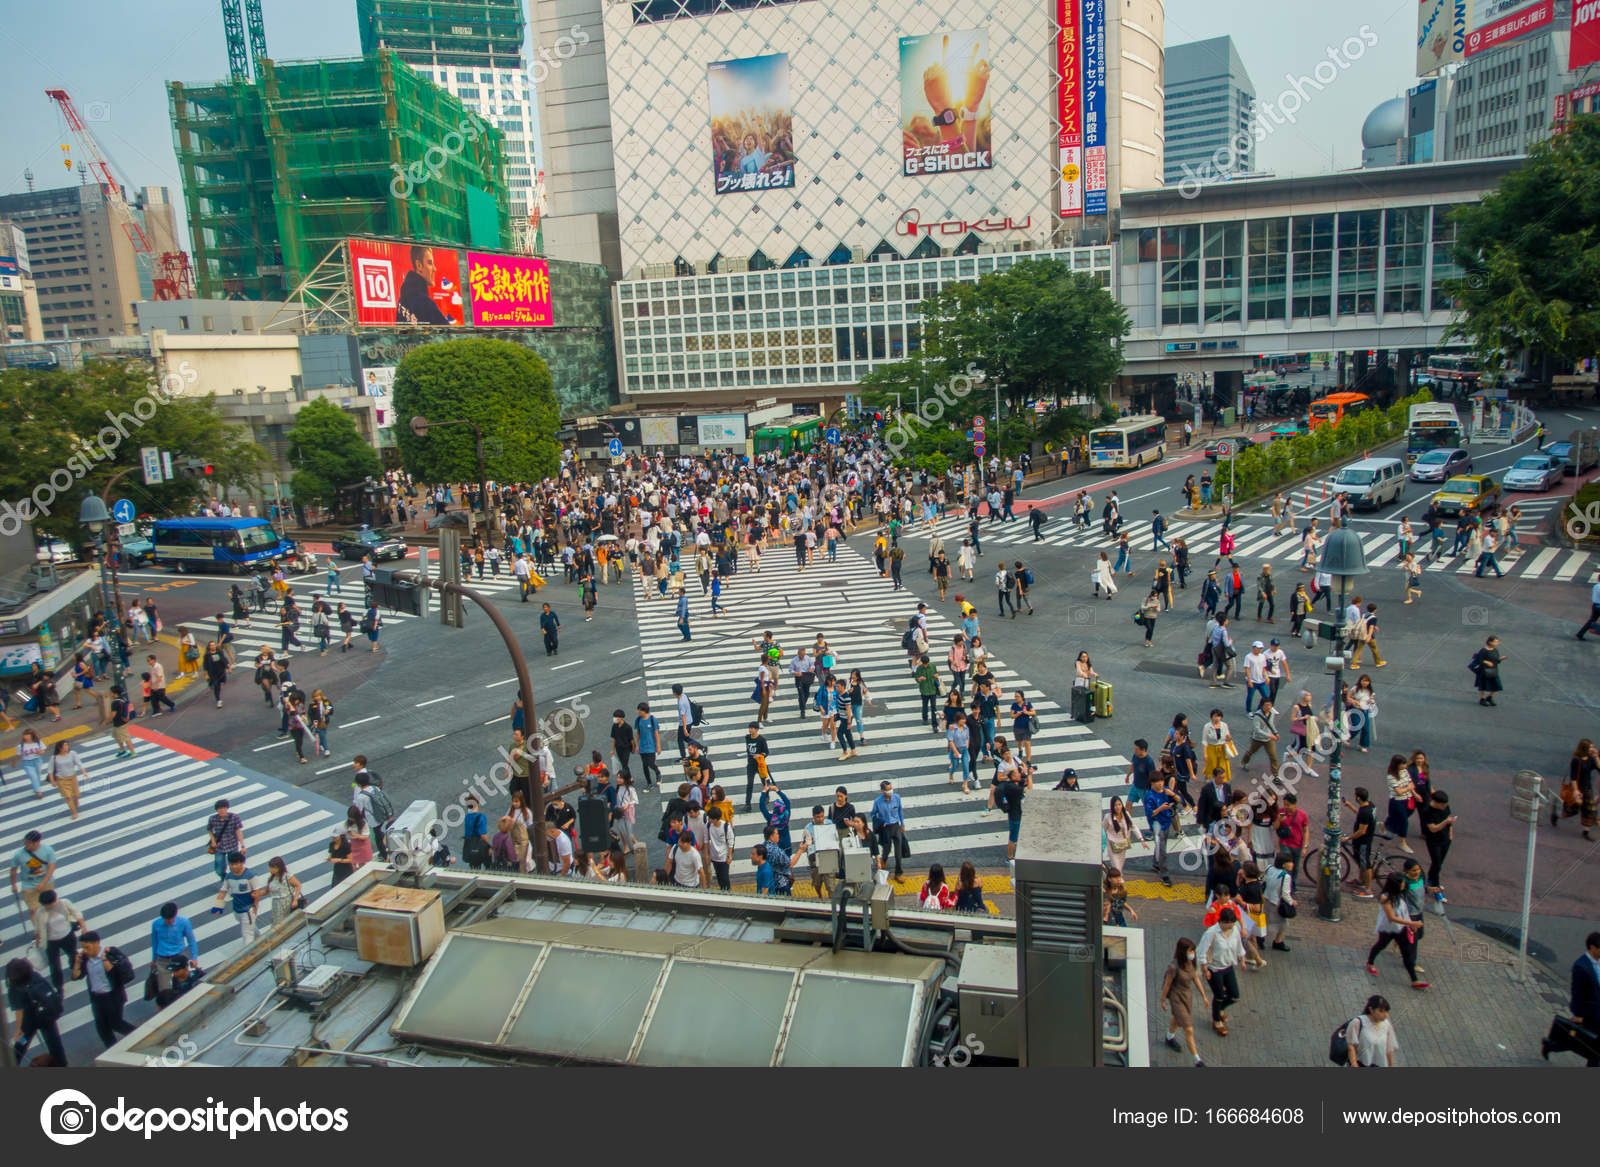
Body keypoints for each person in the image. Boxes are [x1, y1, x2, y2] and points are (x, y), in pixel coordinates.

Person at [72, 930, 136, 1049]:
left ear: (96, 943)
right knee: (102, 1028)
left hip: (112, 997)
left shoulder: (109, 954)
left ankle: (138, 1035)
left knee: (116, 1023)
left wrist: (105, 960)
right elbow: (76, 976)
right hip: (97, 998)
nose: (85, 950)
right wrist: (77, 963)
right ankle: (112, 1051)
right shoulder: (86, 959)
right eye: (83, 948)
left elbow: (116, 976)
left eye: (87, 947)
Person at [1543, 932, 1600, 1066]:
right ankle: (1551, 1045)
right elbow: (1577, 994)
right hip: (1590, 1014)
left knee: (1588, 1044)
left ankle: (1551, 1045)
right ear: (1592, 948)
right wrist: (1580, 1016)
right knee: (1592, 1046)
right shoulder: (1581, 967)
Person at [1366, 872, 1428, 990]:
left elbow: (1404, 911)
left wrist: (1410, 924)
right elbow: (1392, 917)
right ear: (1396, 884)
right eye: (1402, 882)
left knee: (1406, 953)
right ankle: (1370, 962)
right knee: (1381, 945)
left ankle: (1414, 980)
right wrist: (1412, 923)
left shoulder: (1401, 893)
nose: (1404, 884)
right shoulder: (1385, 897)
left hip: (1401, 928)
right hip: (1388, 929)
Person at [7, 956, 66, 1066]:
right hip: (46, 1017)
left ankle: (12, 1065)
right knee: (54, 1044)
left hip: (28, 1022)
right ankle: (61, 1064)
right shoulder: (35, 976)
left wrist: (18, 1031)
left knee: (20, 1045)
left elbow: (19, 1010)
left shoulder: (16, 987)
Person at [1196, 907, 1245, 1037]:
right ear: (1222, 922)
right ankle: (1216, 1020)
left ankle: (1220, 1008)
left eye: (1232, 925)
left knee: (1235, 995)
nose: (1231, 927)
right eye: (1228, 925)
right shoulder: (1211, 933)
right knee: (1219, 995)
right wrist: (1205, 968)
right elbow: (1202, 952)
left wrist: (1242, 958)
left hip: (1228, 966)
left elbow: (1239, 944)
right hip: (1214, 969)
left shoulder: (1234, 930)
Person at [148, 900, 200, 1005]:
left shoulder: (184, 922)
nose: (168, 921)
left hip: (179, 956)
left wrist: (194, 957)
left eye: (170, 919)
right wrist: (154, 959)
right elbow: (155, 942)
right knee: (164, 988)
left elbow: (191, 940)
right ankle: (167, 1007)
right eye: (166, 919)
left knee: (181, 983)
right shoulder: (156, 924)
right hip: (162, 958)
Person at [212, 852, 266, 945]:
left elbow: (257, 892)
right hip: (236, 910)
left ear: (242, 863)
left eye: (236, 864)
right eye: (231, 864)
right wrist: (218, 906)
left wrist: (255, 908)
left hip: (248, 910)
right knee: (250, 927)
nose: (233, 867)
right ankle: (262, 941)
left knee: (247, 936)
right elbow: (223, 891)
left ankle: (249, 954)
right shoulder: (229, 877)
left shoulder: (250, 875)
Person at [1344, 995, 1399, 1067]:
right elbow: (1350, 1045)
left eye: (1387, 1011)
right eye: (1381, 1011)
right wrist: (1354, 1064)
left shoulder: (1387, 1025)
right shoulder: (1358, 1022)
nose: (1385, 1015)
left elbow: (1389, 1048)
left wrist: (1391, 1065)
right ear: (1371, 1010)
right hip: (1361, 1064)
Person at [1101, 796, 1143, 873]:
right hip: (1112, 845)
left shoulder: (1125, 814)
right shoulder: (1108, 817)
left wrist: (1141, 839)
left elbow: (1133, 826)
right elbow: (1103, 829)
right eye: (1115, 805)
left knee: (1120, 865)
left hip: (1122, 844)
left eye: (1119, 804)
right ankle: (1118, 881)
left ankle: (1115, 879)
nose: (1118, 807)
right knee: (1116, 866)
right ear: (1112, 807)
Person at [1469, 635, 1503, 707]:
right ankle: (1482, 699)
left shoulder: (1495, 650)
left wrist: (1500, 659)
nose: (1497, 643)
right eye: (1496, 641)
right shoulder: (1483, 651)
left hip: (1494, 670)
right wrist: (1486, 662)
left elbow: (1496, 661)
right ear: (1490, 642)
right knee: (1482, 685)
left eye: (1497, 641)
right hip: (1484, 671)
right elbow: (1480, 660)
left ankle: (1489, 697)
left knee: (1497, 685)